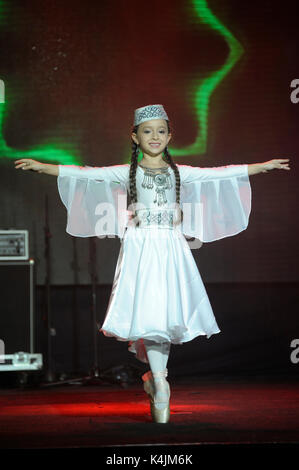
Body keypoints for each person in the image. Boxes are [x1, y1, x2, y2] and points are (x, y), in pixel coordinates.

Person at [14, 104, 290, 423]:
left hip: (170, 247)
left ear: (170, 136)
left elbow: (221, 173)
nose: (155, 136)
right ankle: (159, 382)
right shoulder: (126, 171)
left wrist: (262, 166)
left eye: (161, 131)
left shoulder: (179, 172)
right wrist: (43, 167)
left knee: (162, 315)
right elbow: (85, 173)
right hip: (140, 247)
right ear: (135, 136)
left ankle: (158, 382)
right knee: (149, 314)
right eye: (148, 131)